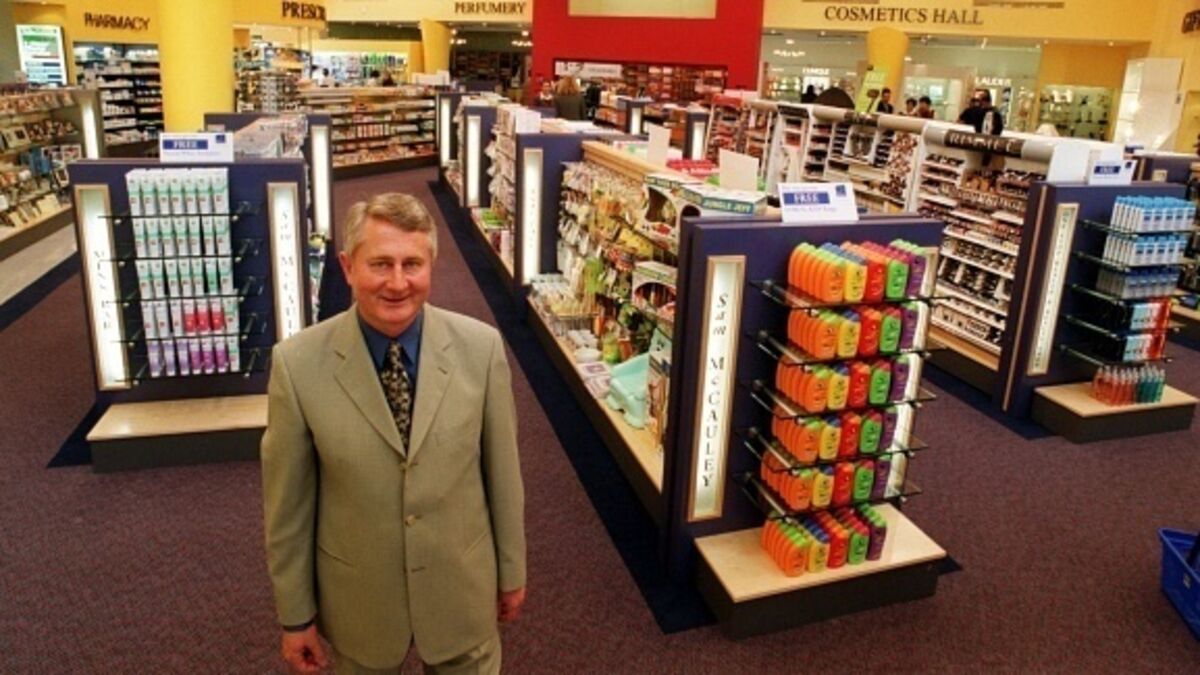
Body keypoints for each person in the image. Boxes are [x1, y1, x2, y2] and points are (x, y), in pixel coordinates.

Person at [262, 193, 527, 674]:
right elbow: (288, 509)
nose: (398, 283)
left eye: (412, 264)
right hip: (359, 605)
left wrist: (512, 571)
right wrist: (295, 614)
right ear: (347, 267)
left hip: (461, 593)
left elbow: (503, 477)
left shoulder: (481, 349)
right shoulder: (297, 366)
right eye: (381, 264)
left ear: (432, 267)